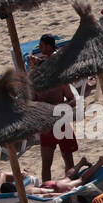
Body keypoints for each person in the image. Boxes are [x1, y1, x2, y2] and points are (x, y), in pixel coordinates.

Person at [31, 36, 77, 182]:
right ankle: (57, 189)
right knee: (50, 164)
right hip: (52, 126)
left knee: (65, 162)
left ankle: (68, 191)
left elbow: (74, 100)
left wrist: (59, 108)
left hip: (56, 124)